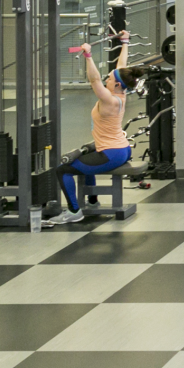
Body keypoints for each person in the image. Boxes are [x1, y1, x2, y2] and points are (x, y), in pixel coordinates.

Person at [49, 32, 143, 226]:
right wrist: (125, 42)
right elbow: (122, 67)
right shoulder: (120, 93)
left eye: (108, 79)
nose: (105, 79)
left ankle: (74, 212)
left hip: (111, 153)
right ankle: (92, 201)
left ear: (116, 84)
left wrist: (88, 56)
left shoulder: (109, 100)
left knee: (63, 170)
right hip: (121, 149)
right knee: (82, 157)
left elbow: (94, 81)